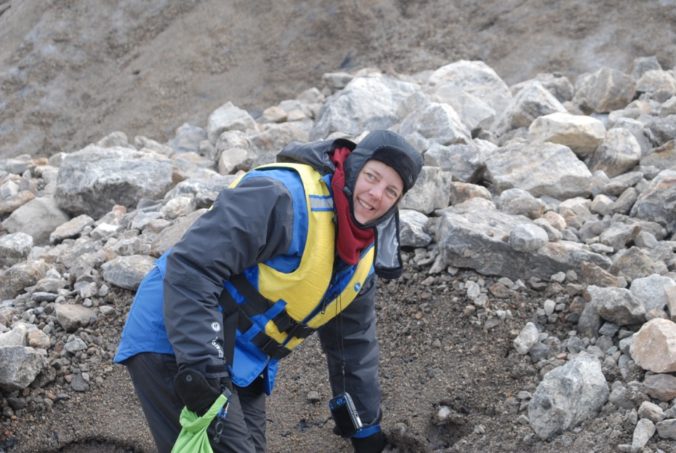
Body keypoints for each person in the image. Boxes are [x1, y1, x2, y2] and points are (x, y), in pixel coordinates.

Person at [114, 129, 423, 452]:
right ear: (354, 167)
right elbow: (192, 267)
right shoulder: (281, 196)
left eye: (391, 191)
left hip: (240, 363)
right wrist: (203, 367)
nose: (376, 195)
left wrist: (365, 432)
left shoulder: (360, 259)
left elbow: (353, 346)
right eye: (372, 177)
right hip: (174, 336)